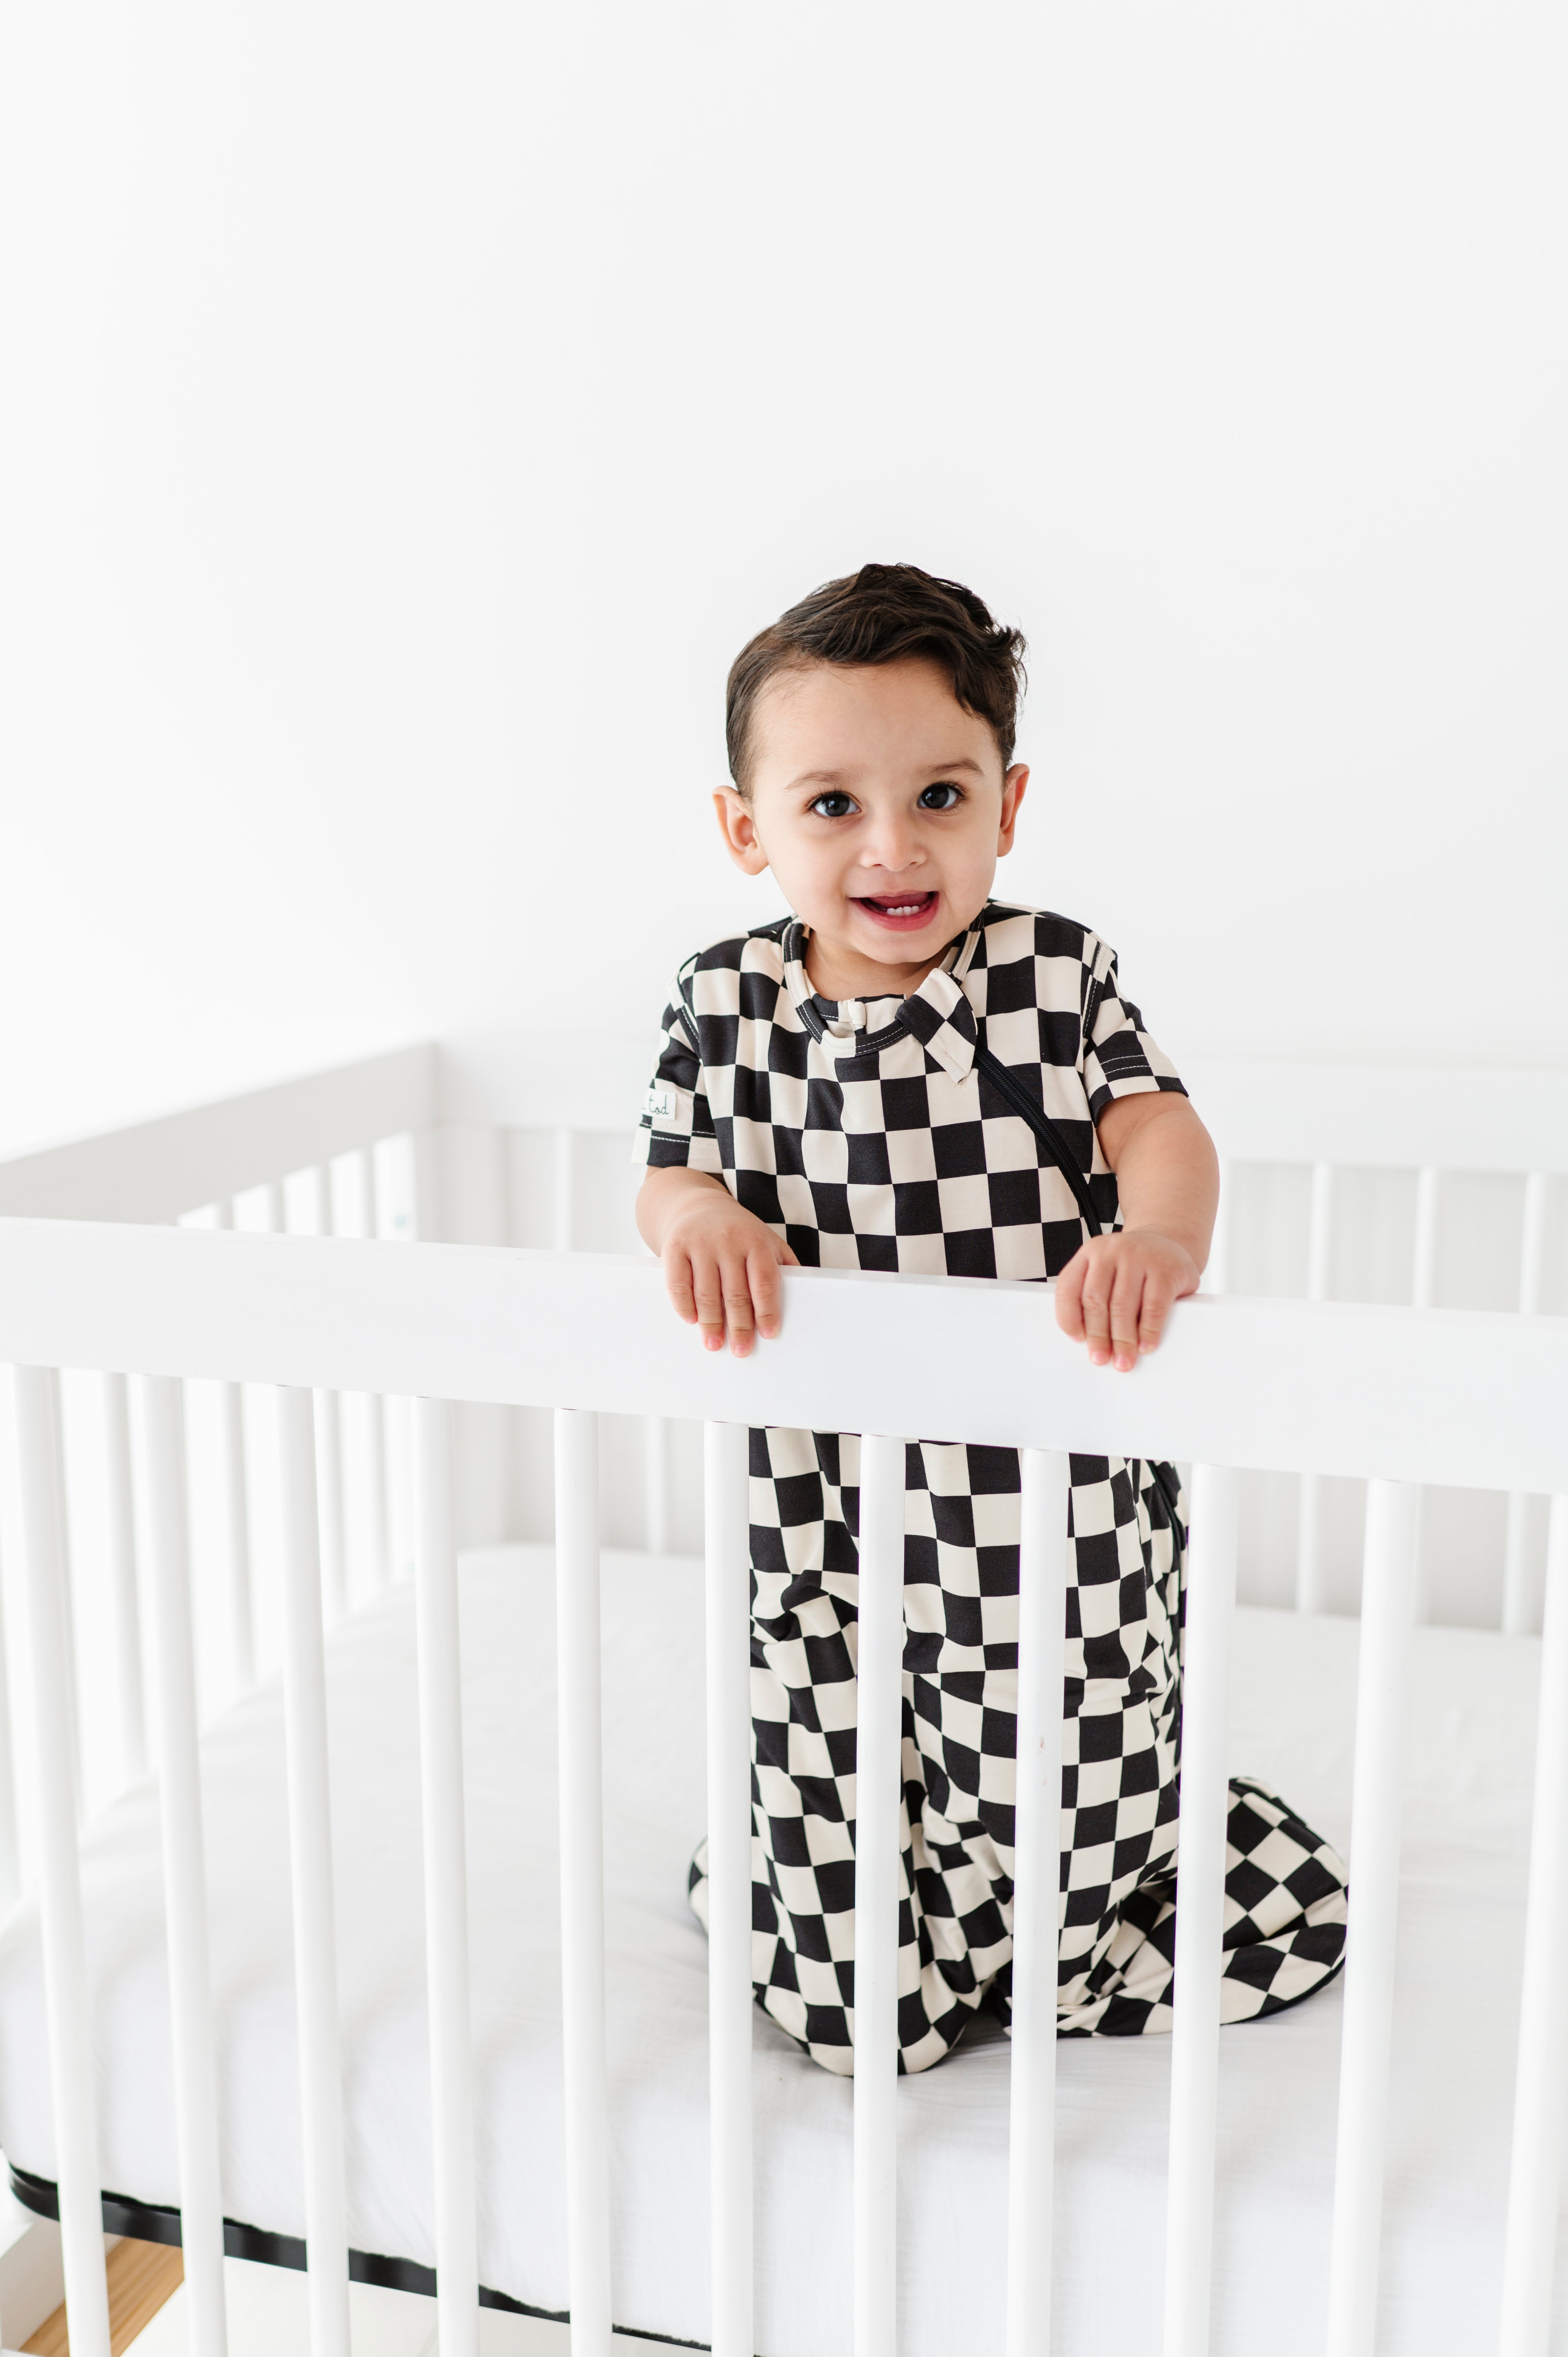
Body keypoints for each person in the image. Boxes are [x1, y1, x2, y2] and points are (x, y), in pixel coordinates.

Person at [634, 563, 1347, 2074]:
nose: (893, 846)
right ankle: (858, 1954)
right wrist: (701, 1221)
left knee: (1053, 1742)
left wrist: (1153, 1236)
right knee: (824, 1715)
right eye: (831, 804)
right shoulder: (719, 1003)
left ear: (1006, 807)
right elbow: (673, 1173)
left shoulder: (1050, 974)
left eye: (940, 796)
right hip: (819, 1479)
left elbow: (1160, 1127)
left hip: (1050, 1488)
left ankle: (1058, 1943)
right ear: (744, 827)